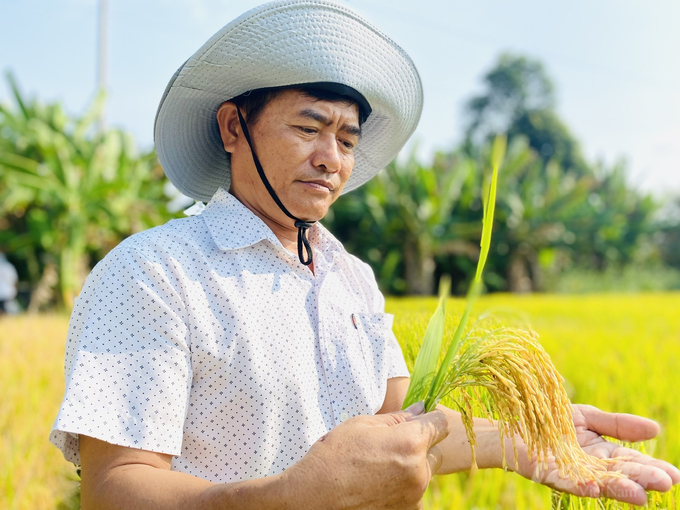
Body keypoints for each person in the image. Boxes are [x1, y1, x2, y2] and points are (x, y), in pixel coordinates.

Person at [50, 1, 679, 508]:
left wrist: (525, 440)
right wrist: (288, 498)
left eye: (346, 139)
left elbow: (403, 435)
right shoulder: (154, 273)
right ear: (233, 128)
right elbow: (115, 487)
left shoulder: (351, 278)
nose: (332, 158)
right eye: (307, 128)